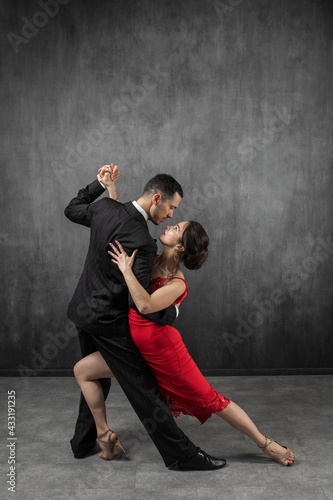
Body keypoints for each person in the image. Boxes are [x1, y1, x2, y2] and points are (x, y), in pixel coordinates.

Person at [76, 171, 295, 467]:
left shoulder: (177, 283)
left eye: (176, 226)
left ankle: (267, 444)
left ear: (180, 247)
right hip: (134, 348)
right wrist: (112, 189)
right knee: (83, 370)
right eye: (173, 217)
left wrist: (126, 273)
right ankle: (104, 436)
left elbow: (144, 304)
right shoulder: (147, 254)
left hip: (165, 354)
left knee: (213, 401)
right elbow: (124, 224)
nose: (169, 222)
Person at [65, 164, 226, 470]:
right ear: (156, 199)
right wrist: (172, 310)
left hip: (82, 311)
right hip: (110, 323)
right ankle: (182, 456)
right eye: (171, 208)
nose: (170, 215)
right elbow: (140, 301)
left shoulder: (104, 209)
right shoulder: (142, 241)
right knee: (146, 392)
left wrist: (100, 185)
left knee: (94, 375)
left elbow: (72, 209)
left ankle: (85, 442)